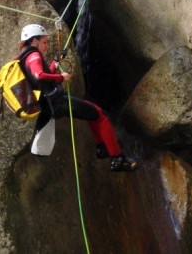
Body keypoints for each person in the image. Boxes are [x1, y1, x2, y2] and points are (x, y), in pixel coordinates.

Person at [18, 24, 138, 172]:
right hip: (55, 102)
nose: (47, 45)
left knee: (92, 111)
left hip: (50, 103)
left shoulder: (25, 56)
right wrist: (60, 77)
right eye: (44, 42)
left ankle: (102, 148)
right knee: (101, 116)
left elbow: (42, 74)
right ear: (34, 41)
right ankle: (117, 158)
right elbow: (39, 76)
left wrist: (55, 62)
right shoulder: (35, 55)